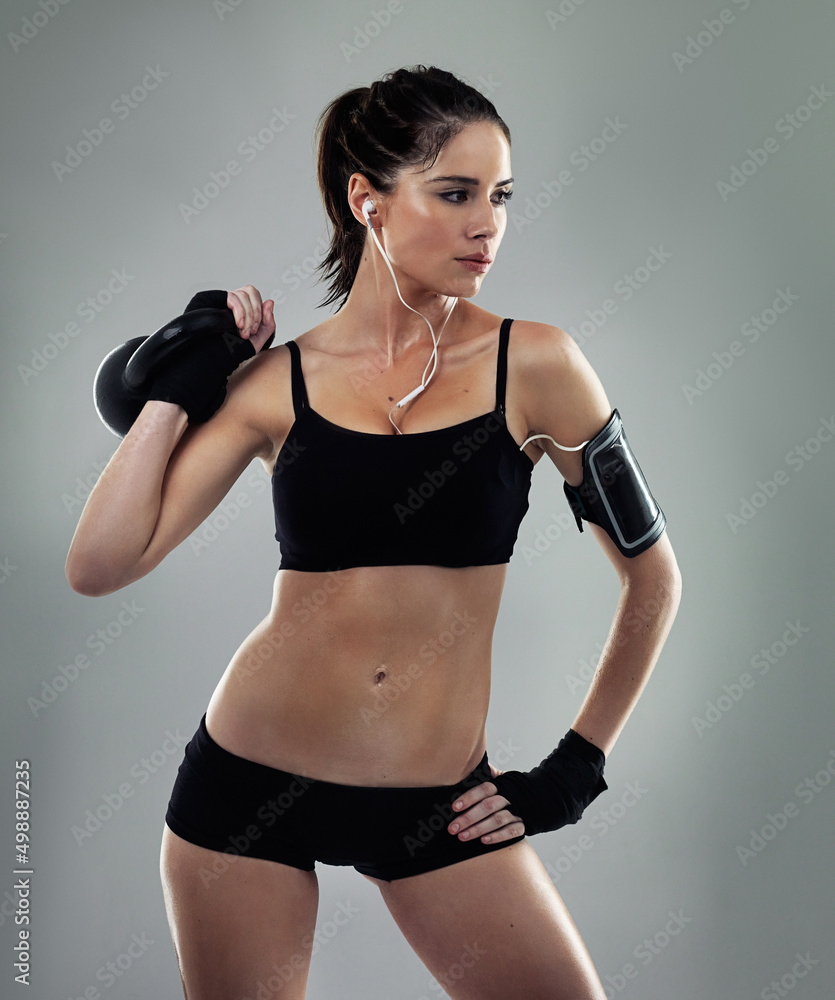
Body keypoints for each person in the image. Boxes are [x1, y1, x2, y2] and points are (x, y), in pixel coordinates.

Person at [66, 65, 682, 1000]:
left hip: (436, 804)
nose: (488, 224)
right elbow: (99, 564)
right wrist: (178, 391)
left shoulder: (538, 365)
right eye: (455, 193)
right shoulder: (277, 382)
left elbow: (654, 581)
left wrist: (573, 770)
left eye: (500, 195)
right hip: (246, 787)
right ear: (368, 201)